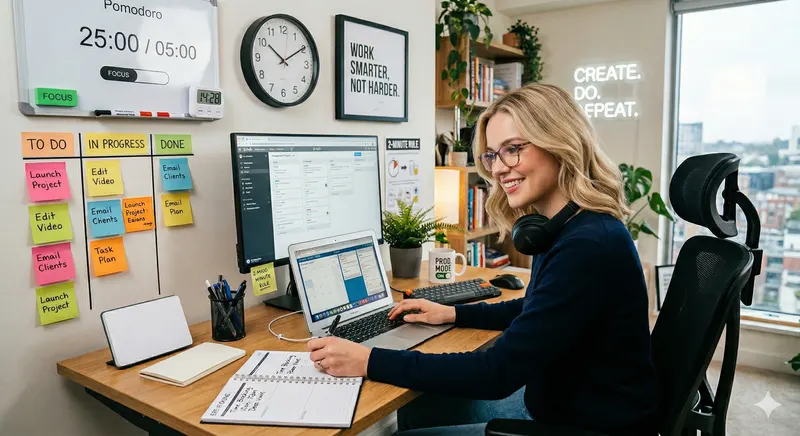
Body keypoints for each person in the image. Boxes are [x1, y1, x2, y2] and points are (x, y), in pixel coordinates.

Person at [307, 83, 660, 436]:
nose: (499, 168)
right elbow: (535, 309)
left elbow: (497, 372)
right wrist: (453, 313)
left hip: (582, 424)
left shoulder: (587, 246)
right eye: (493, 155)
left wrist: (368, 360)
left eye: (513, 149)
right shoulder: (567, 226)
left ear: (559, 142)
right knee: (421, 403)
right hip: (559, 400)